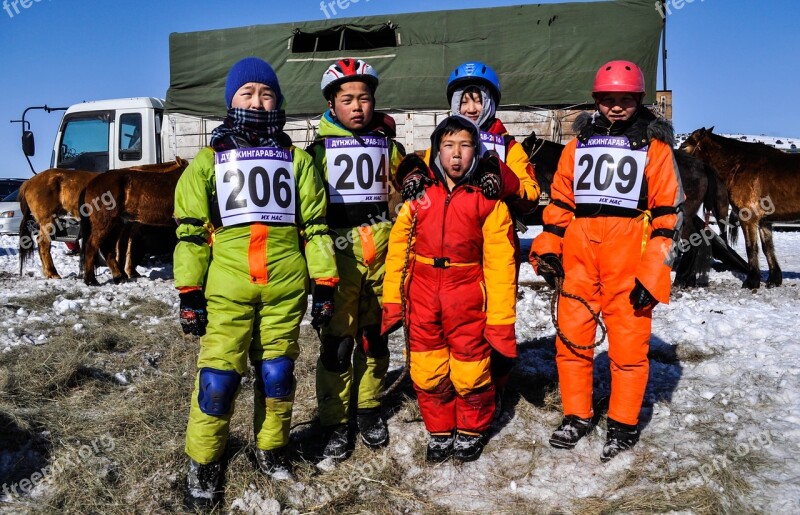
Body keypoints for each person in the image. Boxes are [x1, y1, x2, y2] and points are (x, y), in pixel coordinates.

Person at [174, 56, 338, 509]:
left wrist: (324, 282)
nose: (257, 101)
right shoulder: (207, 163)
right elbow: (189, 233)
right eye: (246, 93)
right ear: (230, 102)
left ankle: (271, 448)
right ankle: (204, 460)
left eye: (266, 94)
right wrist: (189, 292)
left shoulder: (298, 161)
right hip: (227, 288)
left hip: (285, 289)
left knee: (277, 374)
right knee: (218, 380)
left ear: (278, 102)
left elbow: (316, 228)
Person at [529, 60, 684, 461]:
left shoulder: (655, 147)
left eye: (625, 100)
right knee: (571, 340)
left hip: (629, 252)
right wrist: (549, 245)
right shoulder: (578, 145)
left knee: (629, 347)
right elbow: (561, 201)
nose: (616, 107)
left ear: (638, 100)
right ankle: (577, 414)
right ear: (597, 101)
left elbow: (668, 216)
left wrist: (654, 270)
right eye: (608, 100)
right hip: (580, 252)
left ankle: (623, 422)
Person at [403, 61, 541, 410]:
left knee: (494, 321)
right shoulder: (444, 139)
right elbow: (419, 168)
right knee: (455, 324)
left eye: (477, 101)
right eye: (464, 101)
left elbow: (531, 193)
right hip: (452, 253)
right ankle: (451, 388)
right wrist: (410, 173)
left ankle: (494, 389)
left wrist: (504, 178)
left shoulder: (509, 145)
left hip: (495, 249)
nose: (470, 109)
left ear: (491, 102)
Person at [382, 115, 517, 463]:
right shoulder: (420, 197)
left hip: (468, 295)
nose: (456, 155)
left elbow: (501, 265)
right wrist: (394, 300)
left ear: (476, 151)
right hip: (423, 294)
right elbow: (399, 249)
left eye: (465, 145)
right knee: (427, 368)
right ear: (436, 151)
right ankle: (439, 429)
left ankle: (471, 429)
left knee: (471, 369)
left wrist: (501, 320)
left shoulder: (490, 202)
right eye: (448, 146)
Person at [305, 58, 405, 460]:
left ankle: (367, 407)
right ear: (332, 104)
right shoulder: (315, 153)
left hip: (381, 256)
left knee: (375, 337)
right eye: (348, 99)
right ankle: (333, 418)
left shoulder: (390, 147)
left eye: (365, 98)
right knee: (338, 344)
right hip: (339, 258)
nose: (358, 106)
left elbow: (407, 192)